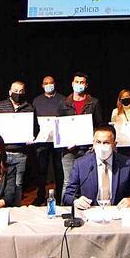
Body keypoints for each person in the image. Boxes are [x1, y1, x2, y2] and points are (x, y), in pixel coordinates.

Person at [63, 125, 130, 209]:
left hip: (118, 214)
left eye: (106, 142)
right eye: (98, 142)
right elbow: (67, 196)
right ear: (93, 143)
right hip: (90, 214)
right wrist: (76, 201)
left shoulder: (127, 164)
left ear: (114, 144)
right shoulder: (80, 164)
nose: (101, 146)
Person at [57, 72, 104, 200]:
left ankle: (89, 206)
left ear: (86, 85)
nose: (79, 85)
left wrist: (95, 143)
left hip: (87, 148)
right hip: (68, 150)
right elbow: (60, 126)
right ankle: (65, 209)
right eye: (76, 82)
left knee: (88, 180)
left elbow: (99, 125)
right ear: (72, 84)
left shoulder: (93, 103)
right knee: (68, 181)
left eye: (82, 82)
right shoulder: (63, 103)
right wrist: (65, 142)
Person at [0, 81, 36, 196]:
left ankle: (16, 209)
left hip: (20, 153)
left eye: (21, 91)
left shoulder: (29, 108)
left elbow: (36, 128)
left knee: (18, 184)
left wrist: (32, 137)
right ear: (10, 92)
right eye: (15, 91)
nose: (18, 93)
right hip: (1, 153)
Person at [32, 76, 65, 205]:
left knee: (59, 170)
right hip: (42, 142)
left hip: (58, 141)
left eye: (51, 83)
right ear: (42, 85)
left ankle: (59, 196)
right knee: (41, 171)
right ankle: (40, 196)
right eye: (46, 83)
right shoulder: (37, 101)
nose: (48, 85)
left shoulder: (63, 100)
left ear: (54, 84)